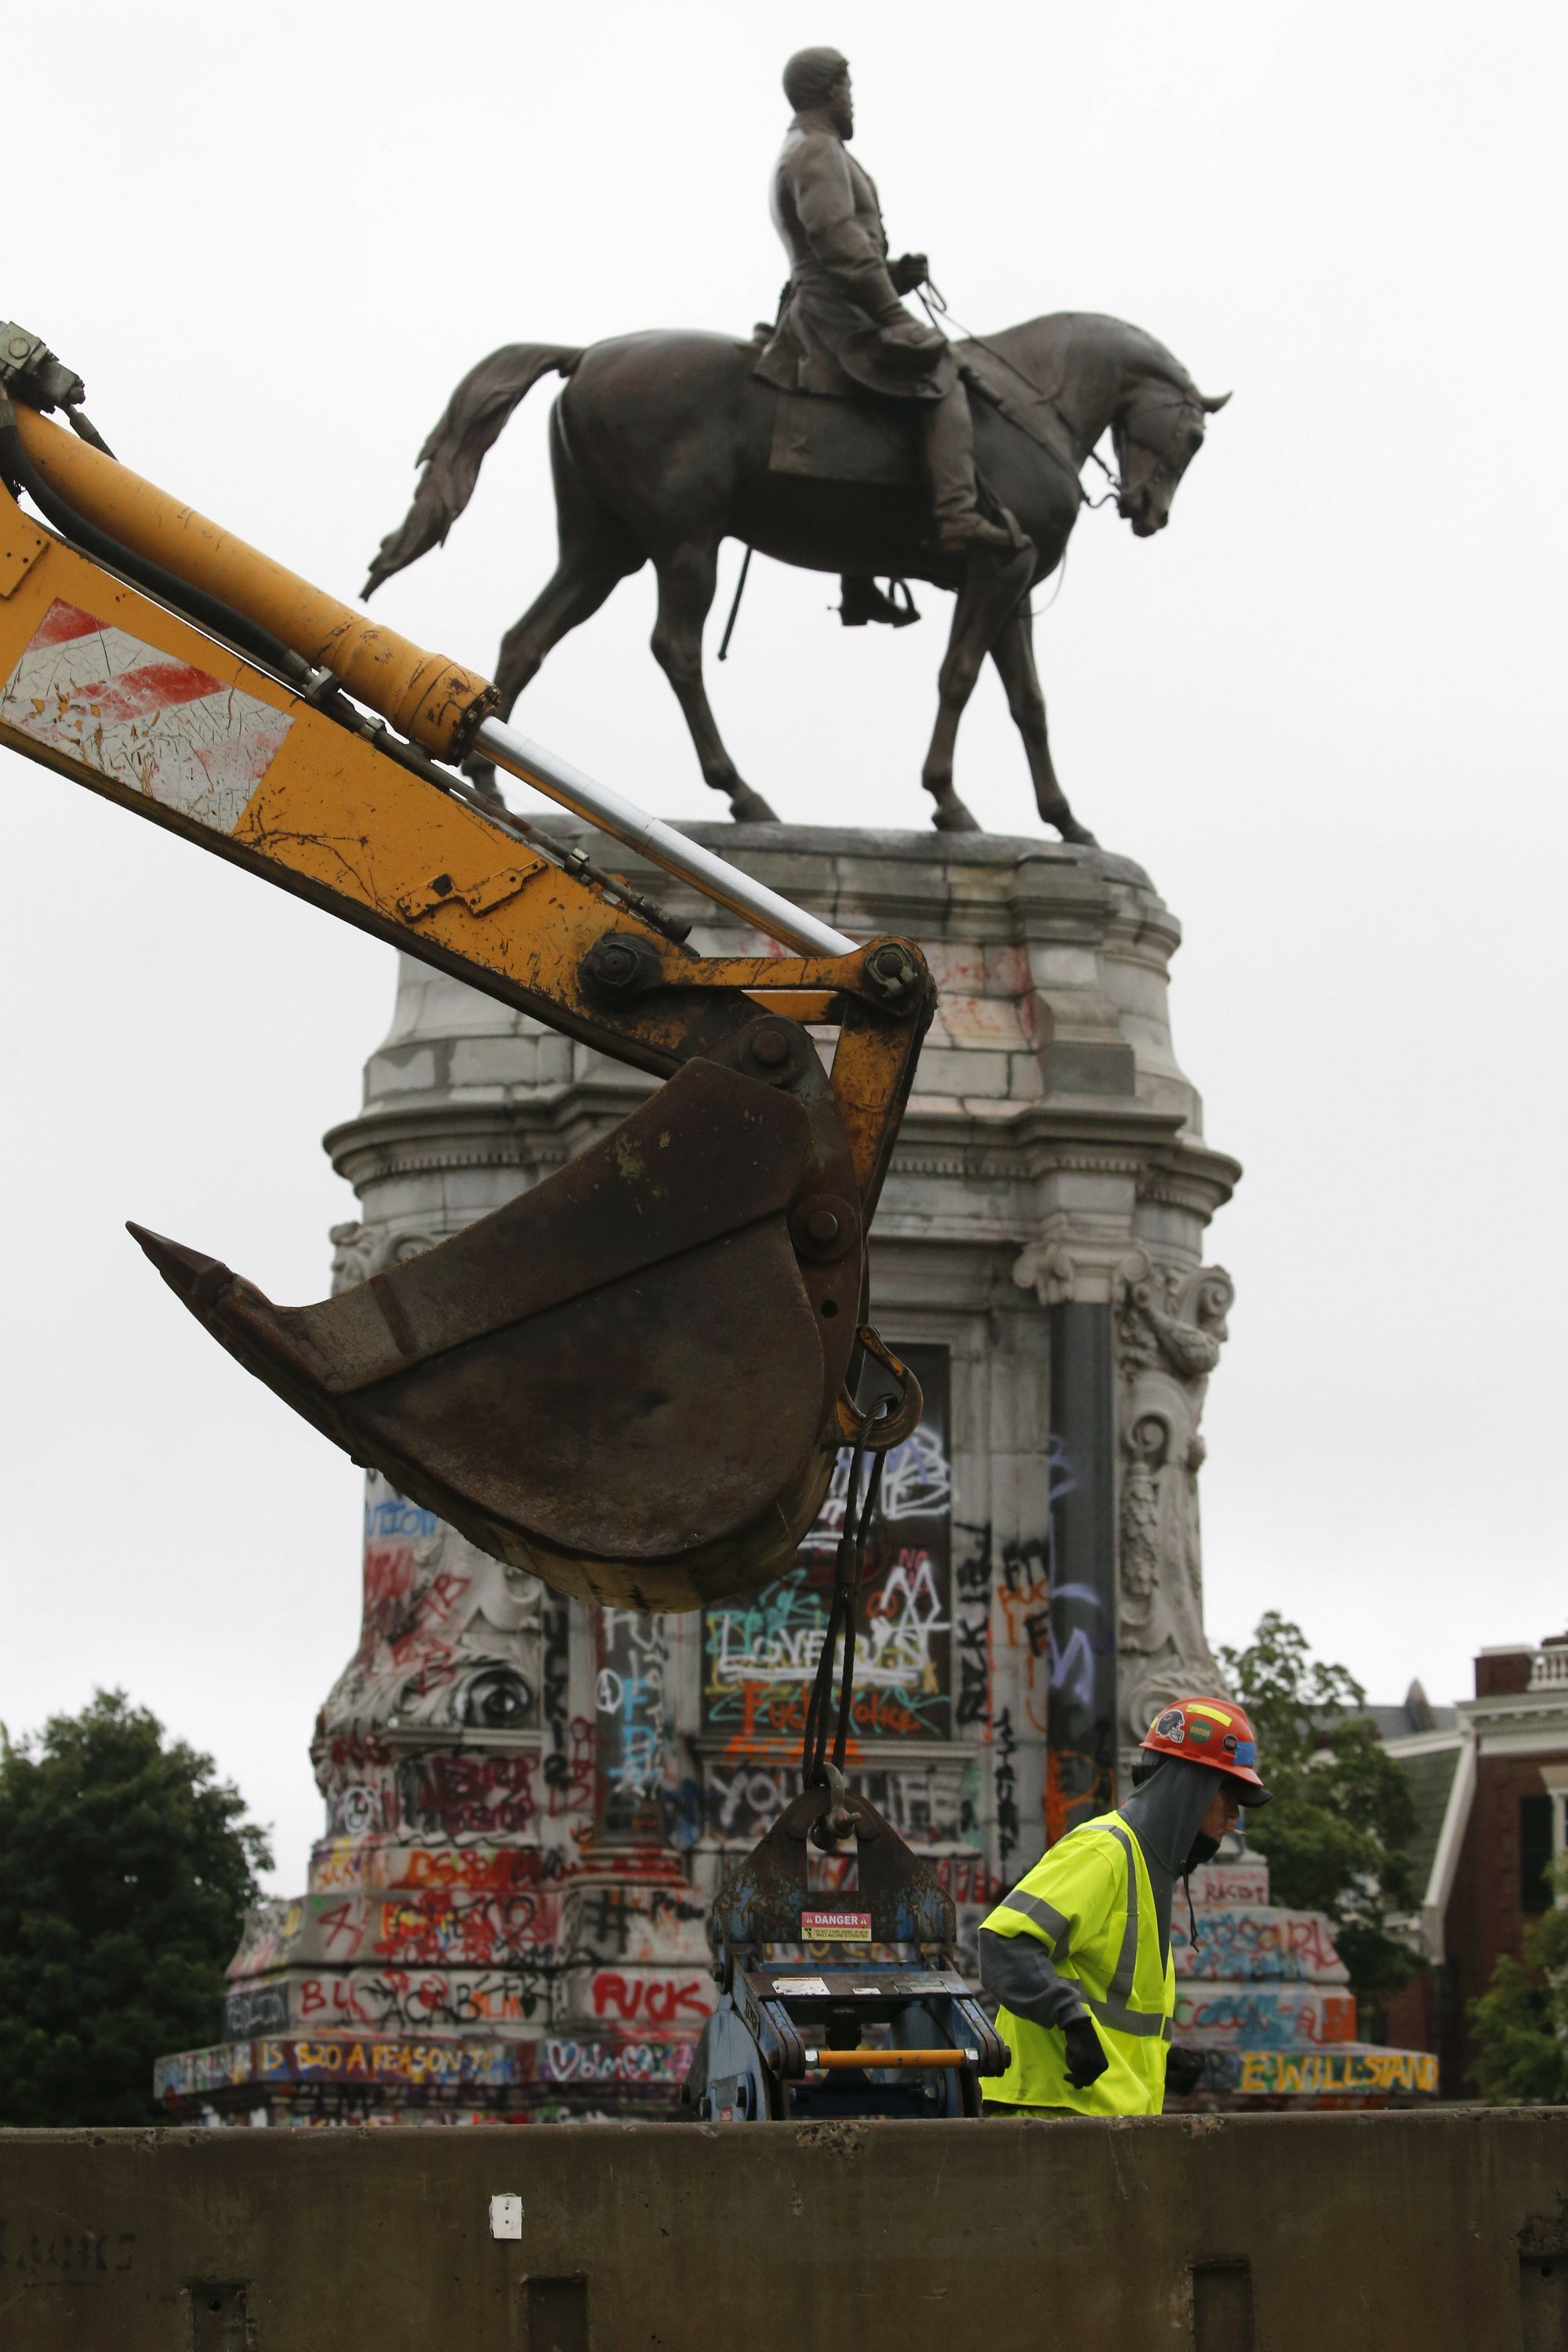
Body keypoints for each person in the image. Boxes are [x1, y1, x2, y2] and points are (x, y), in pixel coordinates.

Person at [755, 46, 1022, 559]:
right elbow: (835, 239)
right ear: (831, 90)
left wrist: (896, 276)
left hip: (832, 305)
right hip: (833, 320)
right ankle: (958, 515)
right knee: (939, 366)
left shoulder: (806, 146)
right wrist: (891, 312)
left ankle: (860, 576)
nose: (853, 101)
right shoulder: (817, 150)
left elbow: (837, 251)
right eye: (849, 89)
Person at [978, 1698, 1272, 2117]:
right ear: (1190, 1789)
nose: (1233, 1817)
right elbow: (1004, 1942)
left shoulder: (1150, 1873)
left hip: (1097, 2121)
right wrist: (1071, 2022)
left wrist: (1159, 2061)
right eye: (1229, 1794)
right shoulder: (1104, 1850)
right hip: (1050, 2115)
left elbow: (1110, 2007)